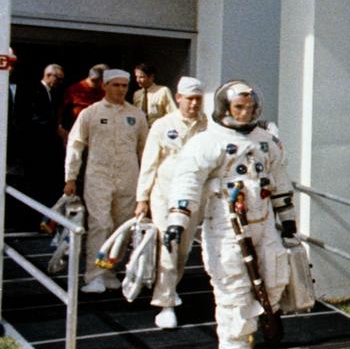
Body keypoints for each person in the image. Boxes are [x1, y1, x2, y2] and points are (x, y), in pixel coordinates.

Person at [163, 80, 296, 349]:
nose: (245, 112)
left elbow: (279, 177)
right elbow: (188, 180)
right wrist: (177, 220)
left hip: (263, 223)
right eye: (239, 107)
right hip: (226, 225)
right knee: (233, 286)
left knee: (275, 278)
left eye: (249, 107)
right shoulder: (207, 141)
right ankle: (235, 348)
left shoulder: (266, 140)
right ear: (225, 108)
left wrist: (287, 216)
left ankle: (252, 325)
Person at [63, 68, 148, 293]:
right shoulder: (90, 113)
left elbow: (145, 152)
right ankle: (94, 275)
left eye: (124, 86)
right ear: (105, 86)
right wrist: (70, 177)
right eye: (115, 85)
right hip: (98, 176)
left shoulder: (137, 116)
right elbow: (75, 145)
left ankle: (110, 269)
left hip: (128, 177)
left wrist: (147, 185)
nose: (120, 90)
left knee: (121, 227)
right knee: (100, 223)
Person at [134, 77, 208, 329]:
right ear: (178, 98)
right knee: (169, 245)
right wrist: (142, 198)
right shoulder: (162, 125)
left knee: (184, 249)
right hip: (164, 194)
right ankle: (165, 304)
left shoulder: (207, 125)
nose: (194, 104)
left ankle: (169, 288)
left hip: (192, 197)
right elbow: (149, 163)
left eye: (198, 99)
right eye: (189, 99)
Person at [13, 63, 66, 214]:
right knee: (33, 184)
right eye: (59, 79)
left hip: (45, 146)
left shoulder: (52, 94)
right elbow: (29, 117)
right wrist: (55, 128)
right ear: (49, 75)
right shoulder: (32, 90)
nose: (59, 83)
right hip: (34, 145)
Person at [60, 63, 108, 131]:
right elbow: (61, 112)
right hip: (78, 132)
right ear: (96, 79)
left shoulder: (105, 92)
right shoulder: (74, 90)